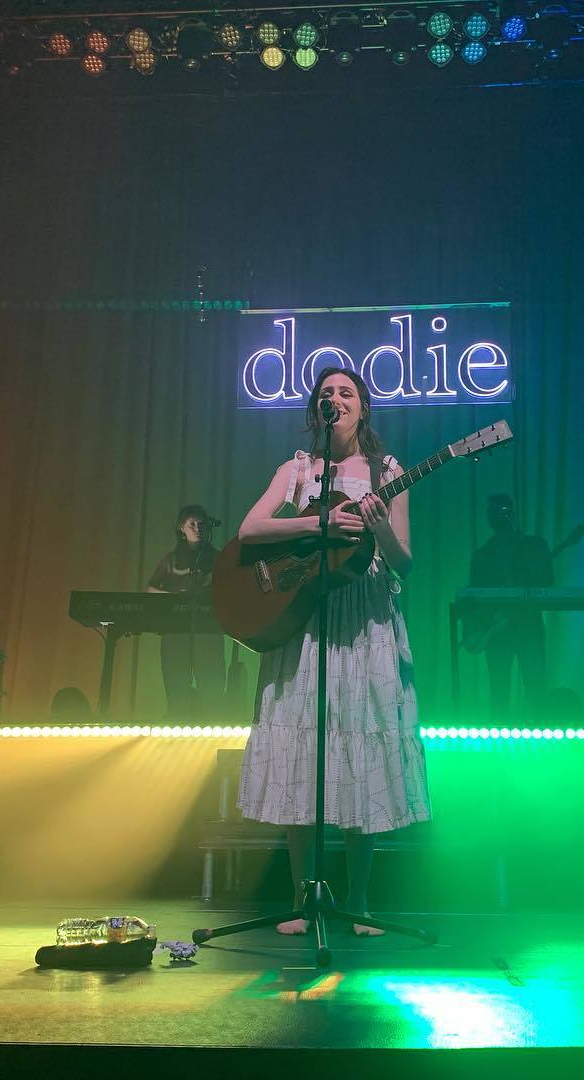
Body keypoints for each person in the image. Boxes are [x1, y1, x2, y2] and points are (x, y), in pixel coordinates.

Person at [235, 367, 429, 936]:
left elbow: (405, 562)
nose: (336, 400)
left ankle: (360, 898)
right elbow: (250, 531)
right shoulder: (297, 470)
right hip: (305, 618)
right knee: (303, 753)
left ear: (363, 406)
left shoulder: (388, 472)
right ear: (315, 409)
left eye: (346, 393)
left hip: (364, 617)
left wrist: (379, 528)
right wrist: (320, 521)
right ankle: (304, 897)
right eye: (327, 394)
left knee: (359, 749)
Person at [469, 494, 554, 710]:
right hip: (498, 630)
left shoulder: (535, 547)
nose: (500, 516)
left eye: (504, 511)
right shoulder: (483, 556)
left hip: (528, 626)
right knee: (499, 692)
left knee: (535, 688)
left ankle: (536, 726)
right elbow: (473, 599)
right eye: (496, 512)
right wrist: (483, 624)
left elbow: (548, 585)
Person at [147, 504, 226, 716]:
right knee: (176, 688)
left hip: (208, 630)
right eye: (192, 524)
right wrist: (175, 599)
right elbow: (151, 589)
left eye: (202, 524)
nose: (198, 528)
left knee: (212, 689)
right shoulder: (171, 559)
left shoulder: (217, 558)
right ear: (181, 528)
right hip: (175, 630)